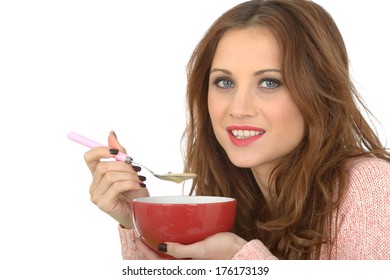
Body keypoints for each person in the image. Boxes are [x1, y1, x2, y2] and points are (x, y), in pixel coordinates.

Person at [83, 0, 390, 260]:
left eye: (269, 82)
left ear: (318, 90)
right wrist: (142, 219)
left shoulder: (371, 188)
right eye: (224, 82)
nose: (238, 108)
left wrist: (242, 260)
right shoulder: (227, 197)